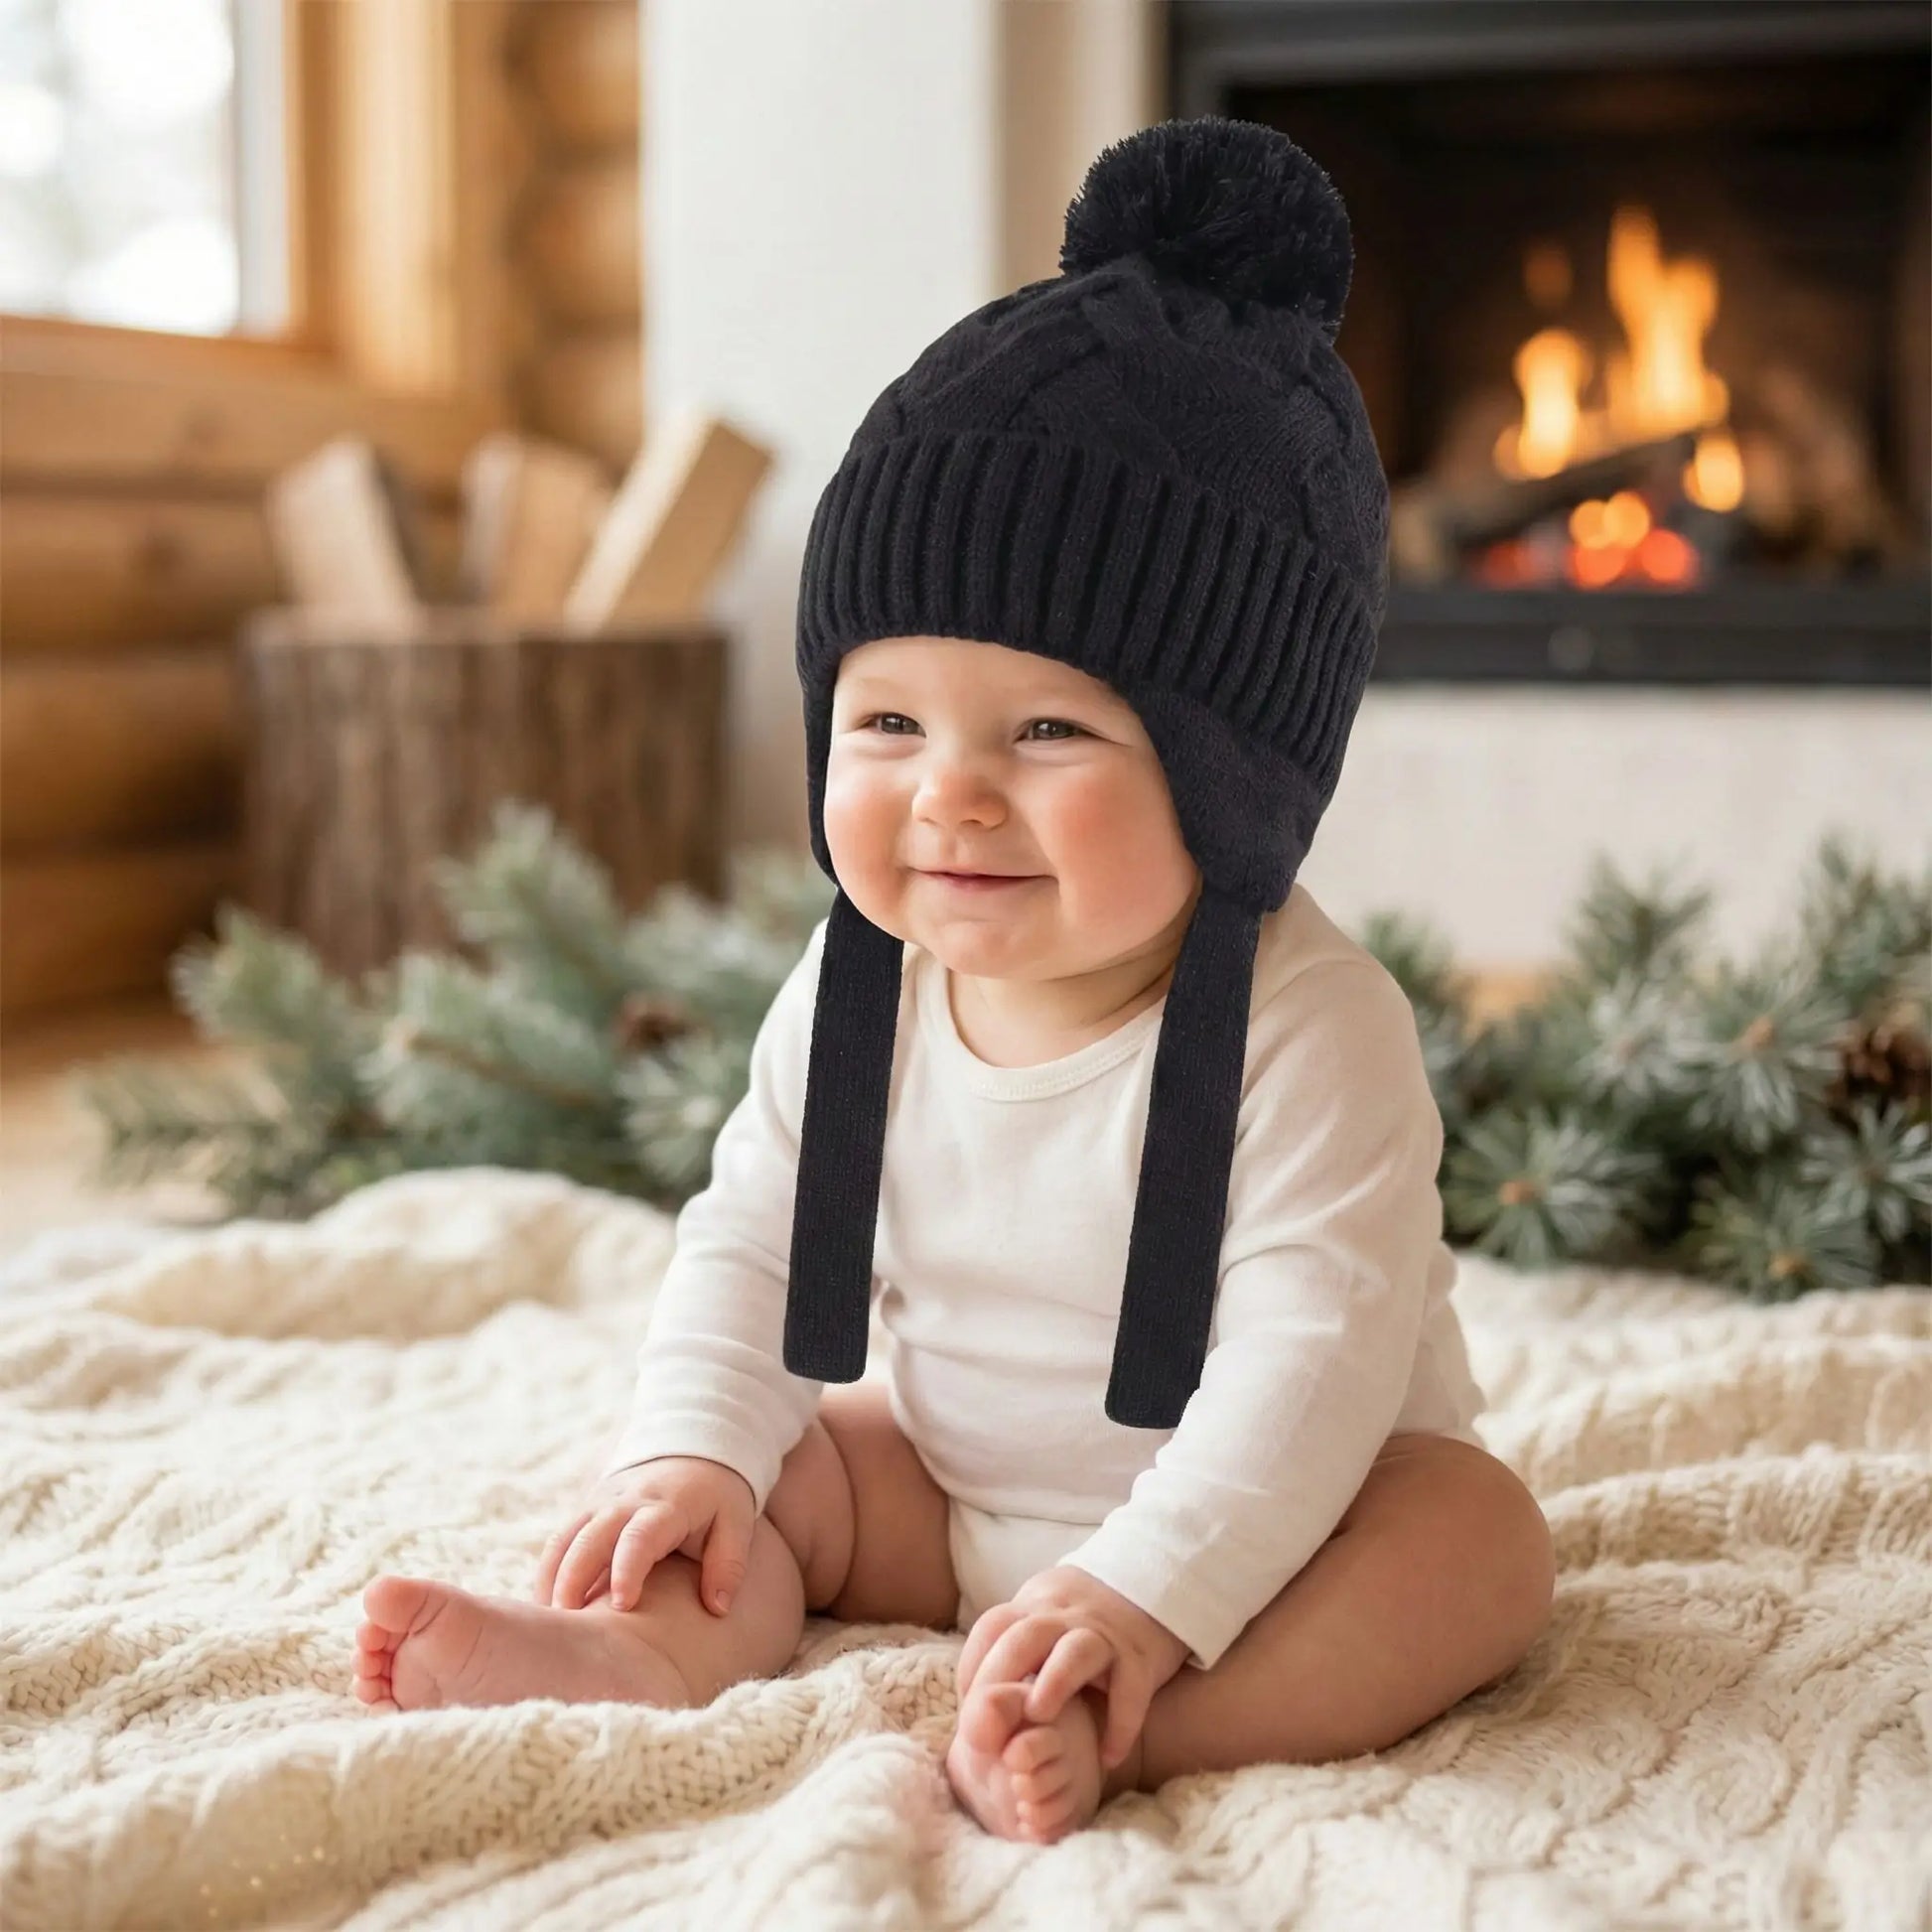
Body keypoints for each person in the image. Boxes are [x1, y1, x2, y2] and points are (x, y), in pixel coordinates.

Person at [353, 115, 1556, 1845]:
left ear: (1231, 779)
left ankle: (1145, 1716)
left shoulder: (1308, 1026)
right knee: (794, 1462)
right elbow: (754, 1244)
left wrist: (1139, 1596)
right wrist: (688, 1456)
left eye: (1049, 728)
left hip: (1276, 1525)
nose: (949, 793)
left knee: (1473, 1540)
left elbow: (1312, 1359)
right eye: (887, 722)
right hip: (948, 1490)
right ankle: (634, 1647)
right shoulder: (860, 988)